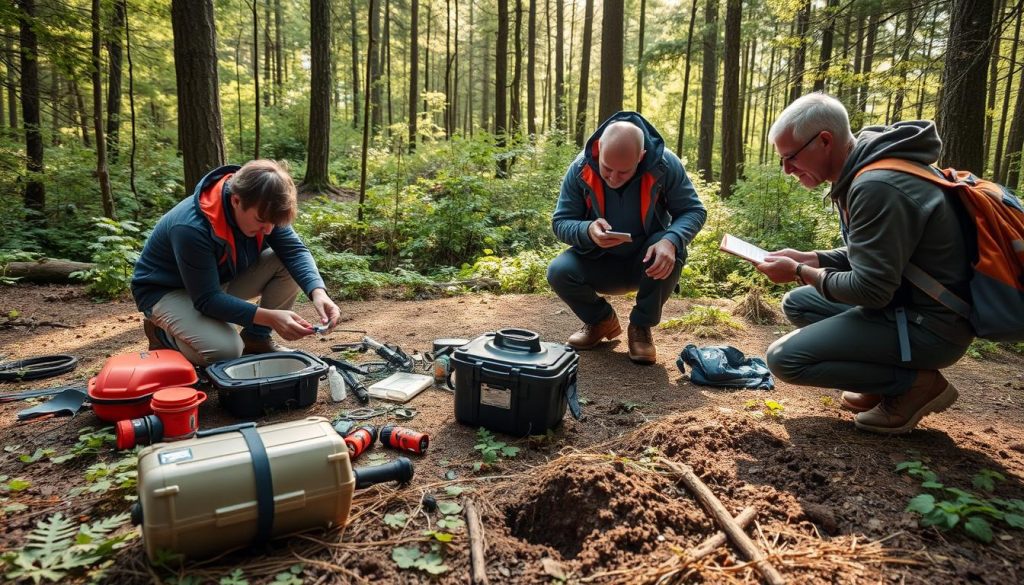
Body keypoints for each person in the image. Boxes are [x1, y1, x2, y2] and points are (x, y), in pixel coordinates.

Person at [756, 92, 972, 434]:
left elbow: (872, 289)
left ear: (824, 141)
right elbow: (877, 257)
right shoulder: (865, 167)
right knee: (799, 302)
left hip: (931, 326)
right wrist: (811, 259)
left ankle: (913, 384)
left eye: (791, 157)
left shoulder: (876, 186)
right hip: (908, 305)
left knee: (785, 359)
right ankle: (882, 378)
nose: (787, 170)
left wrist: (799, 271)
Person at [132, 159, 341, 366]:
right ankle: (163, 335)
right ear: (236, 200)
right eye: (261, 221)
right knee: (227, 352)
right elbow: (207, 300)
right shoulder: (190, 227)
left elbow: (294, 252)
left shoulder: (264, 205)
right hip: (166, 291)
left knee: (286, 263)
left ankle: (256, 339)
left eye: (273, 223)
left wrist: (318, 292)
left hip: (214, 281)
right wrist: (270, 317)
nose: (269, 230)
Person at [547, 112, 706, 364]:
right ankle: (600, 321)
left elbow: (693, 210)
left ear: (641, 157)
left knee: (672, 248)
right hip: (597, 260)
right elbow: (560, 222)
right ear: (599, 148)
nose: (613, 178)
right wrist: (587, 231)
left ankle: (641, 327)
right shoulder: (580, 169)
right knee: (558, 271)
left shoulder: (664, 165)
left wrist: (671, 239)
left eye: (624, 172)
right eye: (607, 168)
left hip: (646, 263)